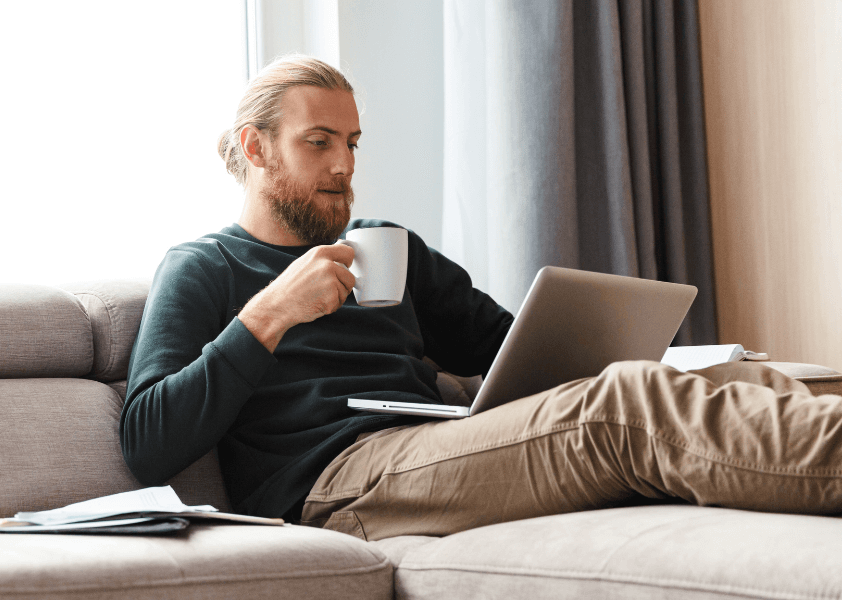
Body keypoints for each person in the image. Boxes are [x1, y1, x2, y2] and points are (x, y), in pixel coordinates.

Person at [119, 55, 842, 541]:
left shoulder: (384, 244)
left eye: (352, 142)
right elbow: (150, 442)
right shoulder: (205, 266)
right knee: (624, 406)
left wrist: (595, 343)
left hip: (435, 445)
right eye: (318, 142)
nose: (344, 165)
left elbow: (508, 347)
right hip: (335, 484)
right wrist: (271, 312)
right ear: (256, 148)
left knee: (735, 378)